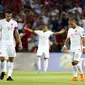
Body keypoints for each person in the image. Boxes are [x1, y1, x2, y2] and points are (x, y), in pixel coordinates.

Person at [0, 10, 22, 81]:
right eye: (7, 16)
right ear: (5, 15)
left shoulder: (14, 23)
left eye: (10, 16)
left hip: (11, 42)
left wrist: (20, 42)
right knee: (2, 58)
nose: (9, 17)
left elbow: (16, 33)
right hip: (3, 42)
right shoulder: (1, 22)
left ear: (11, 15)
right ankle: (3, 71)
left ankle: (9, 76)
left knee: (11, 59)